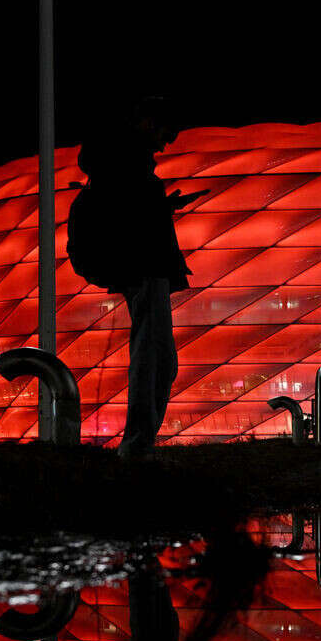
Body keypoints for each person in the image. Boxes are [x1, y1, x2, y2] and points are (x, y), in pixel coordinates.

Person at [76, 97, 206, 460]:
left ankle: (139, 442)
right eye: (167, 133)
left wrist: (164, 206)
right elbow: (127, 218)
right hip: (145, 266)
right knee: (154, 356)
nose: (167, 143)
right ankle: (136, 445)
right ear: (149, 122)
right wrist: (156, 208)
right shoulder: (126, 162)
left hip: (145, 266)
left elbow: (129, 212)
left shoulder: (121, 162)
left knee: (158, 356)